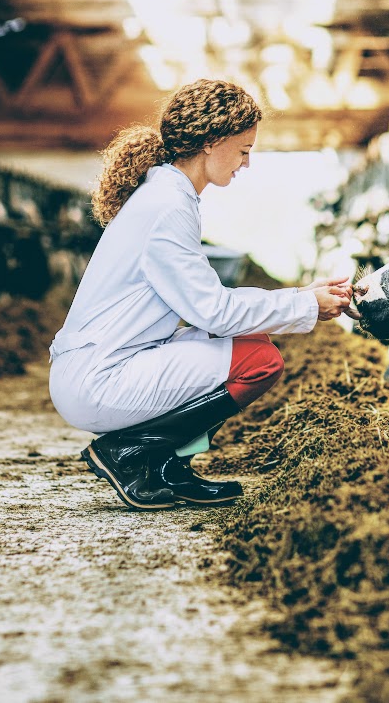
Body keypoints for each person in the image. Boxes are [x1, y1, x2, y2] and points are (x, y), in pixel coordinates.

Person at [48, 79, 352, 510]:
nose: (246, 164)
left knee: (253, 346)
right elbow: (213, 311)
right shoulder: (167, 207)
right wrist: (305, 305)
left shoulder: (168, 197)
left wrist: (304, 293)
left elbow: (204, 302)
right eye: (244, 151)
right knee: (259, 361)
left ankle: (169, 468)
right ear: (213, 142)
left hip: (103, 363)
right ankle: (132, 453)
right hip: (101, 379)